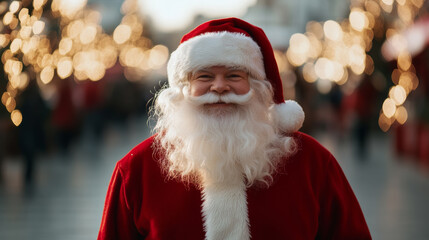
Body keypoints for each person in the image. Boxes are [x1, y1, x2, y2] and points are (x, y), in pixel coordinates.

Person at [97, 18, 371, 240]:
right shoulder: (136, 170)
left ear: (259, 88)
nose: (219, 87)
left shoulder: (313, 163)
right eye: (204, 76)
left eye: (234, 75)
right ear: (183, 89)